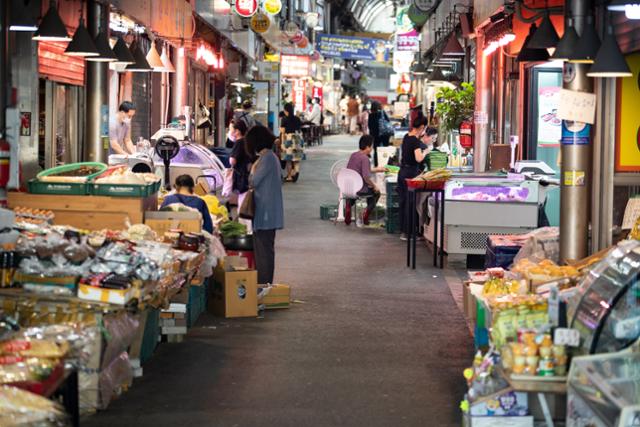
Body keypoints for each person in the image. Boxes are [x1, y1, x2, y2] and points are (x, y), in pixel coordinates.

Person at [245, 126, 284, 284]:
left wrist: (252, 169)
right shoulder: (271, 157)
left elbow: (253, 181)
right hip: (268, 213)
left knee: (264, 253)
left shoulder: (266, 158)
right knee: (265, 251)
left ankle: (264, 286)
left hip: (265, 214)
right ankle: (265, 285)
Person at [397, 116, 432, 240]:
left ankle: (403, 231)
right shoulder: (415, 142)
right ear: (422, 127)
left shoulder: (407, 137)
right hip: (411, 174)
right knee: (410, 203)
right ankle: (409, 234)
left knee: (403, 202)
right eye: (424, 129)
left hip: (402, 172)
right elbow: (418, 158)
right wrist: (426, 152)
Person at [345, 135, 386, 226]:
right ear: (367, 147)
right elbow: (366, 177)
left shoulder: (354, 155)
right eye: (371, 146)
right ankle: (366, 214)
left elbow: (360, 169)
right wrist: (375, 186)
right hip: (360, 188)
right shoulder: (365, 158)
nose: (372, 148)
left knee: (354, 194)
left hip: (349, 187)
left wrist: (378, 169)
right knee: (376, 193)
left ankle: (348, 205)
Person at [229, 119, 254, 231]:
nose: (231, 132)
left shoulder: (239, 143)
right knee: (246, 203)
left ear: (237, 131)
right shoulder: (247, 141)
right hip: (248, 176)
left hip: (241, 177)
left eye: (232, 130)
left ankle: (245, 230)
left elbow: (232, 161)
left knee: (243, 206)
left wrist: (229, 159)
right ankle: (247, 229)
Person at [280, 102, 303, 182]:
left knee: (288, 159)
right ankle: (296, 171)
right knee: (296, 158)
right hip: (297, 138)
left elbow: (283, 132)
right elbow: (299, 129)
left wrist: (282, 143)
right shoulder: (297, 118)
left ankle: (289, 176)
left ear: (286, 111)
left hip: (289, 138)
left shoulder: (284, 119)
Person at [368, 101, 392, 167]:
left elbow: (370, 126)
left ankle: (377, 165)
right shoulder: (382, 113)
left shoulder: (370, 115)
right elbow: (388, 121)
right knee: (385, 148)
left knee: (376, 150)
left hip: (375, 135)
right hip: (385, 134)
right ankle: (385, 163)